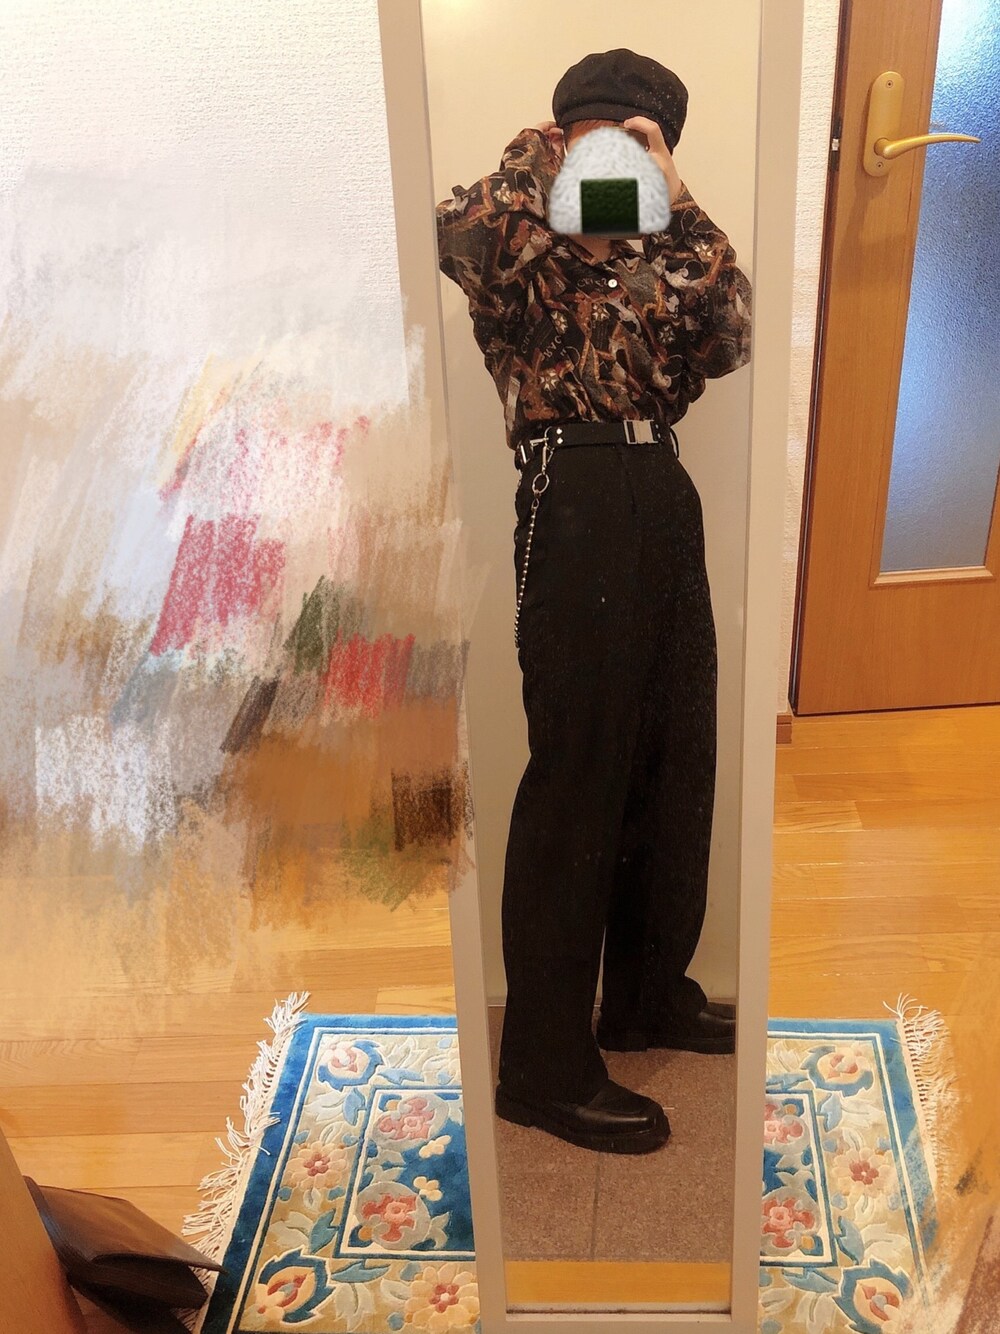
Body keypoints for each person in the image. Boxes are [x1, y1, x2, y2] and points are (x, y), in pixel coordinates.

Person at [436, 49, 752, 1155]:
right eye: (601, 135)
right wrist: (552, 155)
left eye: (641, 139)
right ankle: (541, 1064)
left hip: (660, 487)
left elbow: (730, 334)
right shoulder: (512, 233)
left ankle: (646, 995)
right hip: (570, 491)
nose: (618, 157)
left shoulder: (664, 245)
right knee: (579, 773)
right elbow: (455, 238)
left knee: (676, 753)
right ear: (564, 133)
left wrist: (673, 194)